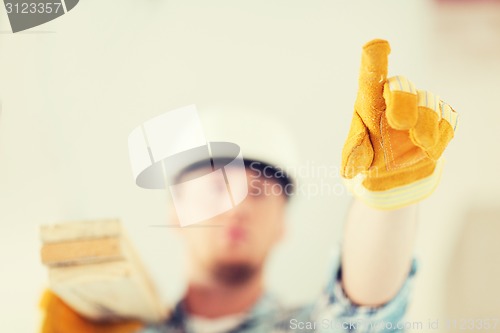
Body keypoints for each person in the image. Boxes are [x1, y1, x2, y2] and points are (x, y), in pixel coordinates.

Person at [40, 39, 458, 333]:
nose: (239, 206)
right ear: (176, 210)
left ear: (282, 226)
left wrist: (388, 194)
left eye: (258, 192)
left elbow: (364, 318)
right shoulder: (117, 330)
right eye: (218, 186)